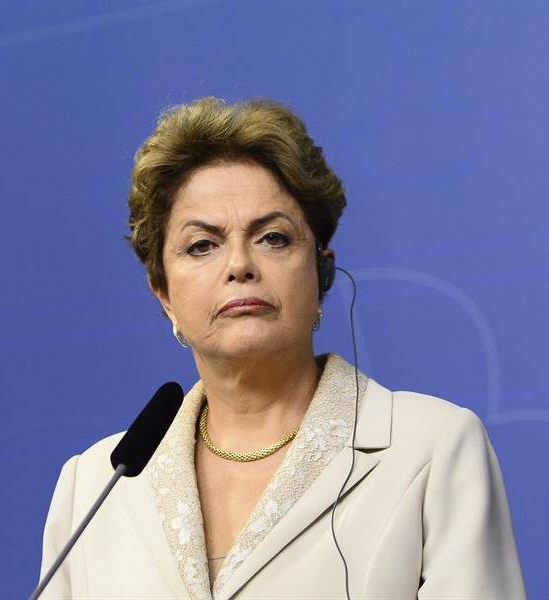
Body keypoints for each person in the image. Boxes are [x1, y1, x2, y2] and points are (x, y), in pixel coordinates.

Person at [37, 97, 526, 599]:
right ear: (163, 294)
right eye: (202, 245)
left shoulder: (432, 448)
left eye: (272, 238)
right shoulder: (93, 487)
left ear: (321, 271)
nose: (239, 266)